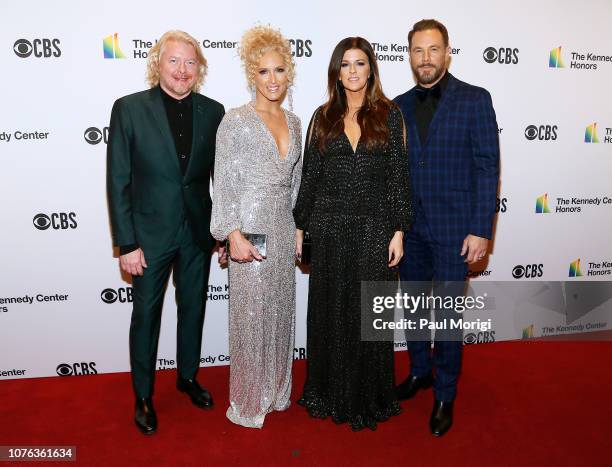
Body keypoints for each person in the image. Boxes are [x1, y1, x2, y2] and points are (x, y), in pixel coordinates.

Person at [106, 30, 225, 435]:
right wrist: (127, 243)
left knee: (193, 309)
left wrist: (222, 233)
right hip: (148, 237)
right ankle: (143, 394)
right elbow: (118, 179)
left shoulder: (214, 111)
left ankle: (187, 377)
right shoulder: (129, 109)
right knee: (146, 317)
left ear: (200, 69)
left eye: (191, 62)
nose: (182, 70)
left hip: (197, 232)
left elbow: (219, 180)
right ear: (157, 63)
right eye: (174, 61)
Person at [293, 37, 413, 432]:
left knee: (370, 315)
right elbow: (310, 176)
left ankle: (369, 395)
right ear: (336, 71)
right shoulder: (321, 116)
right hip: (328, 228)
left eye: (360, 63)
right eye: (345, 64)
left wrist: (398, 230)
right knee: (331, 311)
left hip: (376, 227)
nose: (353, 71)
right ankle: (328, 391)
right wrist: (300, 225)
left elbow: (398, 177)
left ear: (371, 69)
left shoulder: (390, 115)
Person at [394, 19, 500, 436]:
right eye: (418, 51)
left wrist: (481, 228)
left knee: (449, 317)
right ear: (409, 56)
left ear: (447, 52)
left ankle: (445, 393)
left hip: (457, 229)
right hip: (410, 230)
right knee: (416, 309)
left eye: (433, 49)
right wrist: (394, 227)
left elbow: (487, 166)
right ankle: (420, 371)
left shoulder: (475, 99)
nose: (426, 58)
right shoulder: (397, 105)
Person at [210, 25, 302, 429]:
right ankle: (250, 399)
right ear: (252, 75)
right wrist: (231, 235)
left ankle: (277, 390)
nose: (272, 80)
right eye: (263, 72)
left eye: (279, 71)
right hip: (249, 226)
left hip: (283, 226)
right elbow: (224, 181)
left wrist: (299, 229)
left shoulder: (296, 122)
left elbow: (296, 181)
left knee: (281, 310)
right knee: (250, 316)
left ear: (289, 74)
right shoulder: (235, 121)